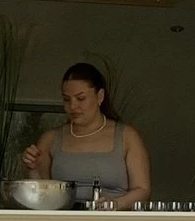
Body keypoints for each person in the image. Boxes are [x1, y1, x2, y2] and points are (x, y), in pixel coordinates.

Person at [21, 62, 152, 208]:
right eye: (66, 99)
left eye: (81, 98)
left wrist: (114, 204)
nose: (72, 106)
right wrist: (33, 168)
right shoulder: (50, 139)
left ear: (100, 96)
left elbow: (142, 190)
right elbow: (43, 196)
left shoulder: (126, 136)